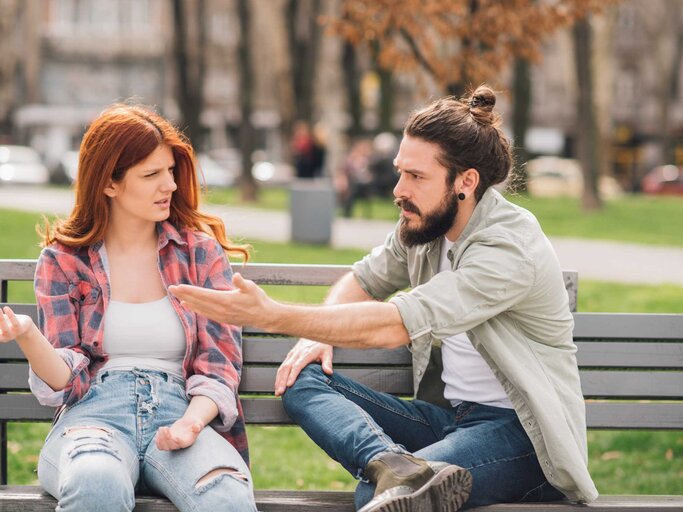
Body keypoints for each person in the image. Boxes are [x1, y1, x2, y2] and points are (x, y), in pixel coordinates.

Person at [169, 86, 599, 512]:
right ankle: (388, 464)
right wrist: (320, 333)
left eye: (416, 176)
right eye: (400, 171)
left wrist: (274, 315)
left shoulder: (507, 248)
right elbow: (364, 278)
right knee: (304, 380)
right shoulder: (425, 225)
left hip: (524, 439)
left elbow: (396, 323)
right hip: (453, 420)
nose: (398, 189)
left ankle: (398, 478)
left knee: (380, 499)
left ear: (466, 182)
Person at [0, 104, 257, 512]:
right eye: (151, 174)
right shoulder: (64, 261)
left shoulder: (199, 254)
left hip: (181, 412)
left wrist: (189, 426)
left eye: (170, 171)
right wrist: (29, 335)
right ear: (109, 184)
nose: (169, 185)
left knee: (225, 493)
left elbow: (218, 367)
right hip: (93, 418)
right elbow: (67, 383)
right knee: (95, 483)